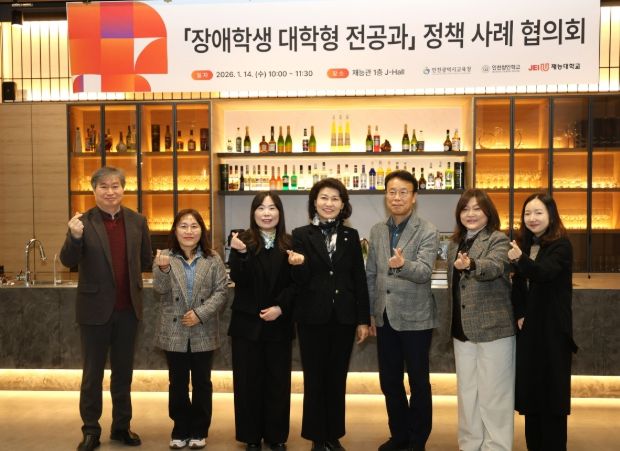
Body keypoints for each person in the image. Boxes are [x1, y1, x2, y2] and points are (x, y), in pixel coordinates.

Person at [59, 166, 153, 451]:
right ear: (94, 190)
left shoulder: (138, 221)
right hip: (94, 311)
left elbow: (146, 260)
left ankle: (122, 426)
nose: (110, 192)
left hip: (128, 309)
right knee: (92, 375)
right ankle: (90, 429)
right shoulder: (82, 222)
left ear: (123, 189)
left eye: (115, 186)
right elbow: (67, 260)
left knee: (123, 374)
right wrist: (74, 237)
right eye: (104, 186)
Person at [291, 178, 370, 451]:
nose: (329, 203)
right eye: (324, 198)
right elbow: (298, 281)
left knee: (337, 378)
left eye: (335, 198)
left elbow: (358, 278)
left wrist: (363, 319)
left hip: (344, 318)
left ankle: (333, 434)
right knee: (314, 379)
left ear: (343, 204)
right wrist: (298, 265)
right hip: (312, 317)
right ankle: (316, 436)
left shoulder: (351, 235)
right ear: (314, 202)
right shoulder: (300, 235)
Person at [365, 170, 439, 451]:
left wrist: (403, 265)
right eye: (392, 192)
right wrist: (371, 313)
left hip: (416, 318)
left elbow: (424, 272)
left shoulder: (428, 230)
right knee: (389, 381)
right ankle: (399, 435)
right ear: (386, 195)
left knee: (418, 382)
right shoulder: (377, 230)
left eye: (403, 192)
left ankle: (418, 440)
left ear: (414, 197)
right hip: (385, 318)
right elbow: (372, 274)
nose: (397, 197)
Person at [228, 191, 300, 451]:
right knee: (247, 382)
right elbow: (239, 279)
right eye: (261, 208)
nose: (266, 213)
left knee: (278, 382)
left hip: (279, 322)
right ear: (253, 212)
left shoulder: (291, 242)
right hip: (247, 324)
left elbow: (297, 283)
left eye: (272, 208)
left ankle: (276, 435)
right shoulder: (241, 240)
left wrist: (280, 307)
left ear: (280, 212)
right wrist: (241, 254)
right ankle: (251, 436)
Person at [152, 208, 228, 450]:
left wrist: (200, 314)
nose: (189, 231)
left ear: (201, 231)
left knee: (202, 382)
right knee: (177, 382)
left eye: (194, 226)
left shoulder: (212, 258)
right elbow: (160, 290)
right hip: (173, 329)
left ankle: (199, 429)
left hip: (203, 329)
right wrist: (164, 270)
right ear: (175, 230)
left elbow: (221, 292)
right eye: (183, 226)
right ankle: (180, 428)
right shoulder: (164, 257)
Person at [447, 189, 515, 451]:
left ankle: (496, 446)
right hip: (462, 329)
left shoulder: (499, 239)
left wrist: (472, 264)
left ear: (488, 212)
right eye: (465, 209)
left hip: (494, 329)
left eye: (477, 208)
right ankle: (470, 444)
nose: (471, 214)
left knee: (494, 395)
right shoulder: (455, 243)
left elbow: (495, 267)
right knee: (467, 393)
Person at [509, 193, 578, 451]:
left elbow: (544, 273)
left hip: (552, 332)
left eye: (538, 212)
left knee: (552, 399)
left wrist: (519, 259)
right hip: (528, 332)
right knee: (532, 398)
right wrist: (520, 313)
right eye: (527, 213)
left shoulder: (561, 245)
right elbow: (518, 286)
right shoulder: (524, 245)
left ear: (551, 215)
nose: (532, 218)